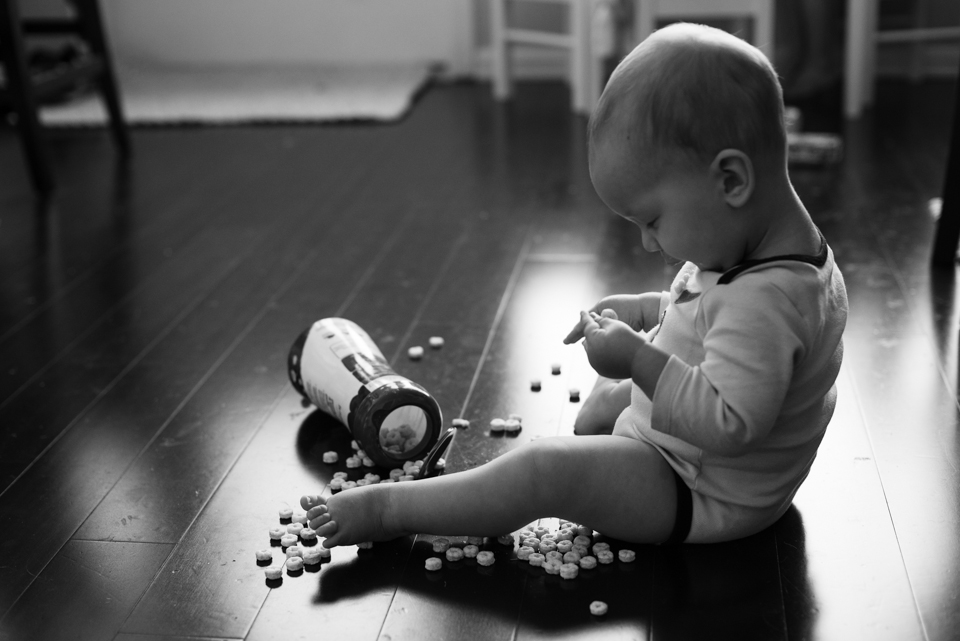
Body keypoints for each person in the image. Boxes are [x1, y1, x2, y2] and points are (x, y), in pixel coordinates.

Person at [300, 22, 847, 547]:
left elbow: (730, 422)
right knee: (602, 409)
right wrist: (649, 309)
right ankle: (615, 432)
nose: (648, 246)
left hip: (702, 491)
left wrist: (638, 360)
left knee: (545, 470)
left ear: (730, 179)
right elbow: (717, 320)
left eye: (652, 221)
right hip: (706, 467)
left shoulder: (767, 301)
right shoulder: (769, 250)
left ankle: (392, 509)